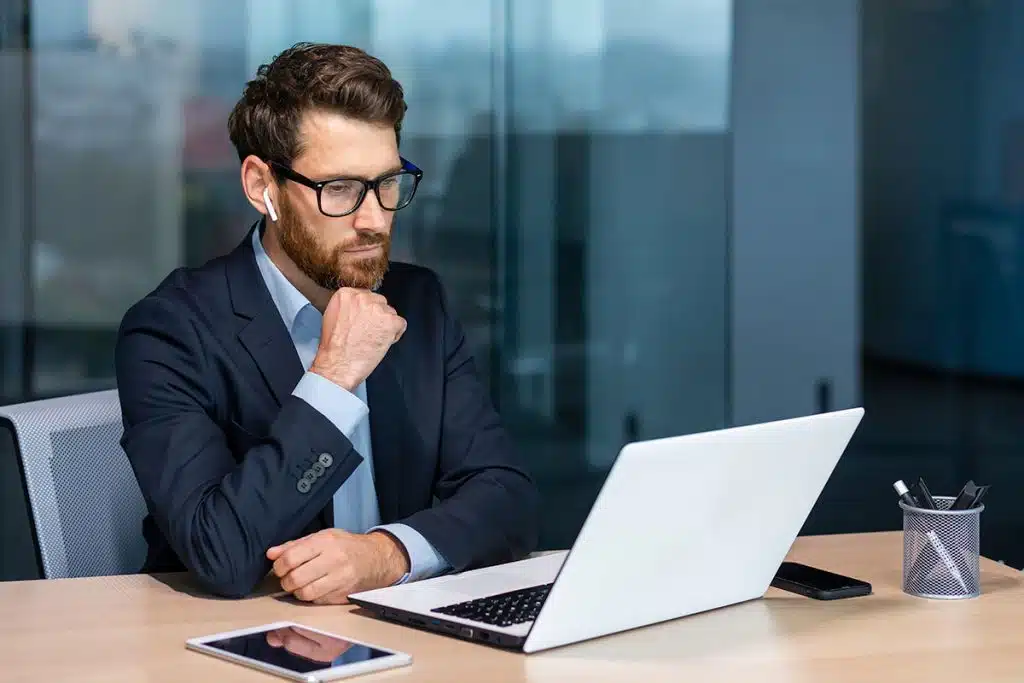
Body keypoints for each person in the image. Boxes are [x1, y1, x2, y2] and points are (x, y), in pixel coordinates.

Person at [115, 42, 539, 601]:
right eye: (339, 189)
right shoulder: (171, 329)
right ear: (262, 187)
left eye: (387, 183)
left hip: (392, 627)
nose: (374, 220)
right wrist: (334, 375)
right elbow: (217, 552)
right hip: (233, 641)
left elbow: (507, 495)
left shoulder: (419, 301)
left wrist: (388, 554)